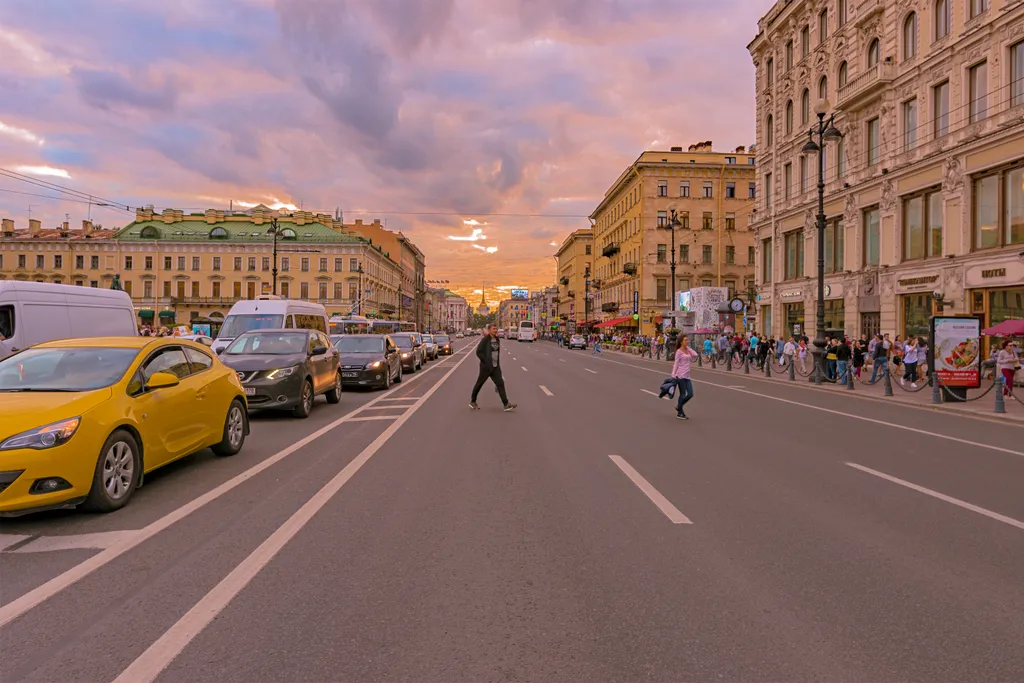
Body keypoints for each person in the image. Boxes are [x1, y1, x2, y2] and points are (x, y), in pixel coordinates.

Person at [469, 324, 516, 412]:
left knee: (500, 384)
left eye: (496, 329)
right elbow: (479, 352)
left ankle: (506, 404)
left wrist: (497, 363)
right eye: (493, 329)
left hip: (495, 367)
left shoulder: (497, 339)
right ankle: (473, 401)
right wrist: (485, 361)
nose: (495, 330)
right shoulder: (485, 340)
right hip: (486, 367)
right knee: (479, 384)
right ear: (489, 330)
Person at [670, 334, 699, 420]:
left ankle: (679, 406)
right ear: (681, 342)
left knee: (690, 394)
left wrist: (687, 348)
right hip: (680, 375)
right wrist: (673, 375)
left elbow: (695, 354)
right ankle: (680, 413)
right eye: (685, 340)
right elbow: (676, 363)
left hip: (687, 376)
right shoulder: (679, 352)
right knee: (682, 394)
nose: (687, 341)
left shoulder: (687, 350)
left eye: (687, 340)